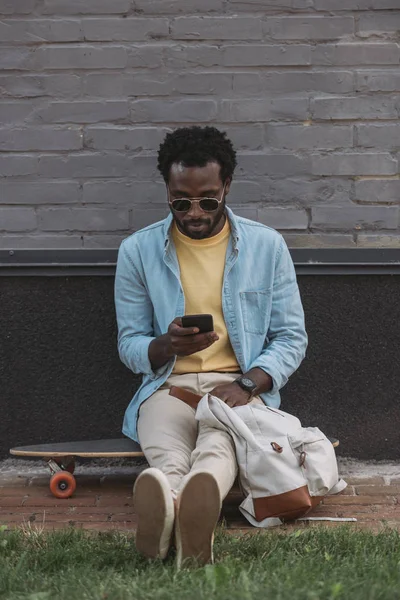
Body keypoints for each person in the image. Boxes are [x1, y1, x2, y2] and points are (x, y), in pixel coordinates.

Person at [114, 126, 308, 567]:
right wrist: (166, 345)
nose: (194, 212)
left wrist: (246, 384)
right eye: (181, 201)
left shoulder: (266, 246)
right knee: (166, 450)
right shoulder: (137, 251)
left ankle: (172, 518)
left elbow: (291, 337)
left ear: (227, 187)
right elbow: (129, 343)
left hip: (235, 388)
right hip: (168, 386)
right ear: (167, 191)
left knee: (219, 447)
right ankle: (187, 518)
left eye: (207, 200)